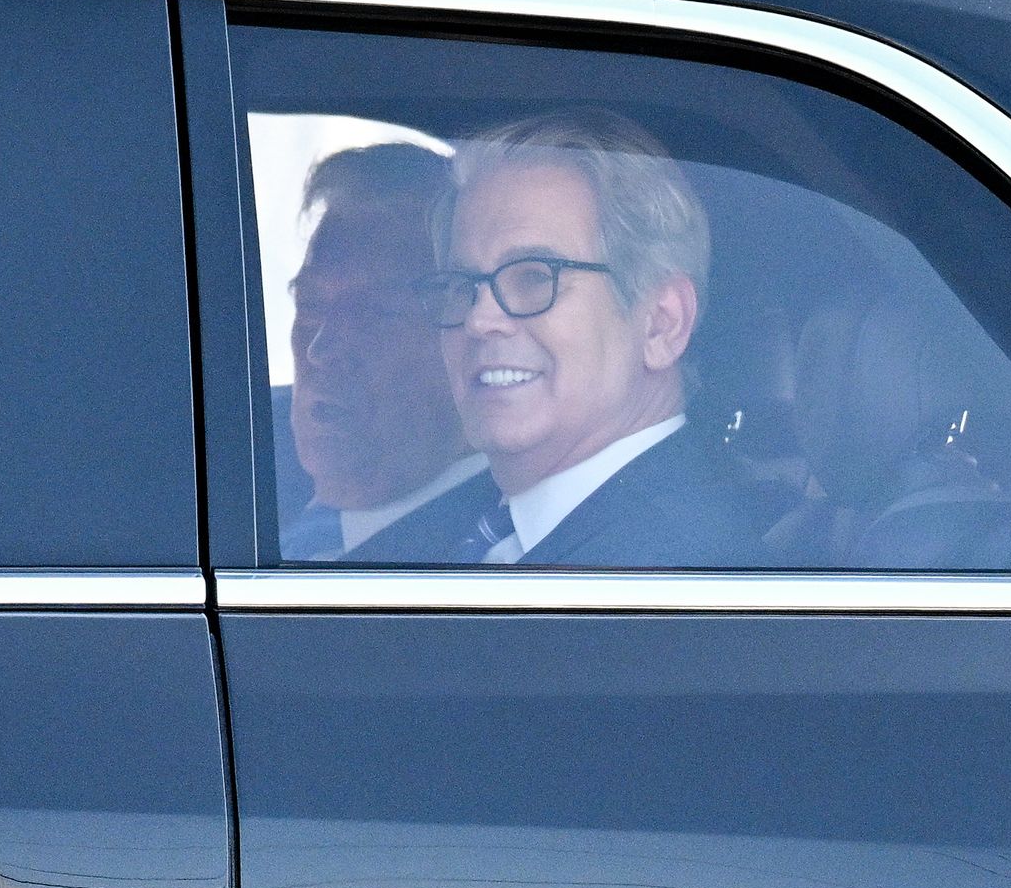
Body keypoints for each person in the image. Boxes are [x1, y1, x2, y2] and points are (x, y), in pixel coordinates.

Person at [426, 109, 766, 566]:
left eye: (534, 276)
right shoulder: (461, 524)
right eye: (460, 284)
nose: (479, 319)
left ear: (661, 323)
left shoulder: (682, 577)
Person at [279, 142, 487, 562]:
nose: (322, 350)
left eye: (377, 314)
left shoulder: (488, 560)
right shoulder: (238, 468)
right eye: (311, 305)